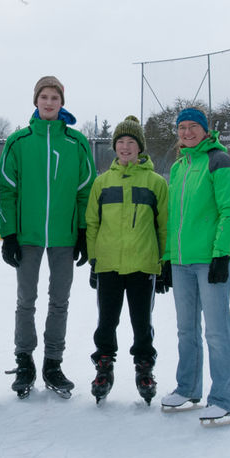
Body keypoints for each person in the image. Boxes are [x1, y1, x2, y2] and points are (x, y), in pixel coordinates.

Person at [0, 75, 95, 398]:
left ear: (62, 102)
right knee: (26, 300)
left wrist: (83, 232)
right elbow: (7, 190)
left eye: (55, 97)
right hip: (28, 235)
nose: (49, 102)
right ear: (36, 101)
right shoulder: (19, 141)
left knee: (60, 301)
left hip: (64, 237)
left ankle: (53, 361)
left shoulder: (77, 143)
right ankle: (24, 360)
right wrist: (9, 233)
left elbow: (85, 193)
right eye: (44, 97)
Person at [161, 107, 230, 421]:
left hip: (210, 262)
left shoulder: (220, 162)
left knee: (217, 333)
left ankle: (224, 398)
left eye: (193, 127)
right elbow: (173, 219)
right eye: (182, 128)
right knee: (186, 330)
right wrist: (168, 258)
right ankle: (187, 388)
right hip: (181, 263)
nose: (187, 133)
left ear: (206, 130)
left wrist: (221, 253)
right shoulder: (180, 166)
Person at [85, 116, 169, 405]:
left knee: (141, 322)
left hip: (143, 265)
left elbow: (164, 226)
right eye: (120, 142)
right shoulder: (102, 182)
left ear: (139, 147)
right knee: (106, 321)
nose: (124, 147)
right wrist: (94, 260)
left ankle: (144, 367)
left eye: (130, 142)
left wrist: (163, 262)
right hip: (108, 264)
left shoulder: (156, 183)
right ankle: (104, 366)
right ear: (114, 147)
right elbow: (92, 224)